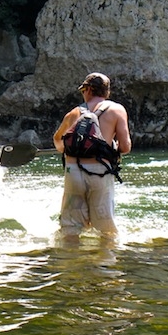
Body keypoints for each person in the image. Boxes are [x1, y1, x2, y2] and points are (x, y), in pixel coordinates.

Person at [53, 72, 132, 242]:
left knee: (70, 228)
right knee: (106, 230)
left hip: (73, 172)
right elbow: (125, 147)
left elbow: (58, 141)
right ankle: (103, 265)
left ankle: (72, 264)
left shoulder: (73, 113)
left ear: (88, 90)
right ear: (106, 92)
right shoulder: (117, 110)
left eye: (83, 91)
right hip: (100, 173)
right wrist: (112, 146)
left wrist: (68, 150)